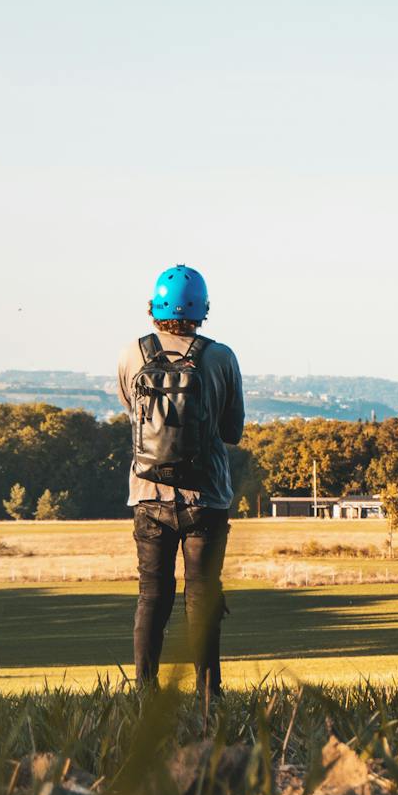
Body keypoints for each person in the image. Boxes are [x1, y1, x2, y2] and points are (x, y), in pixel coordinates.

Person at [116, 264, 245, 707]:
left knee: (152, 595)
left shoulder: (133, 354)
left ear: (154, 307)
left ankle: (144, 693)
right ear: (202, 310)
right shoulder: (221, 356)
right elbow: (232, 431)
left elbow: (132, 412)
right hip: (205, 497)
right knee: (203, 595)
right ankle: (210, 695)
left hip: (147, 495)